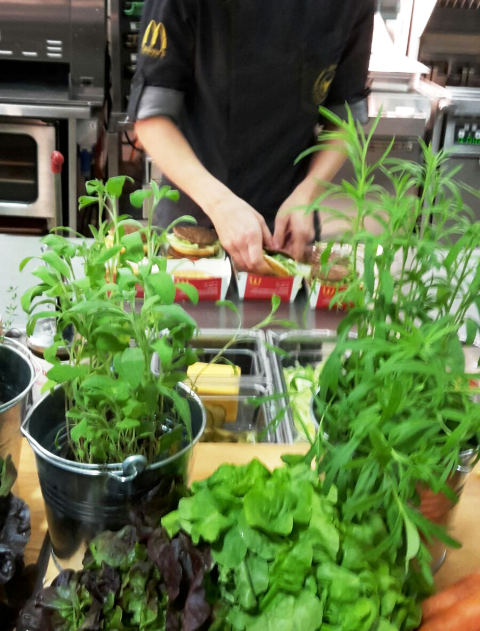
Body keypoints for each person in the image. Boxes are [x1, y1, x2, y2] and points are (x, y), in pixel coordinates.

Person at [128, 0, 375, 272]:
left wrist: (307, 193)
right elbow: (151, 119)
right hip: (196, 218)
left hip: (287, 230)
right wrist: (219, 203)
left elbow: (343, 119)